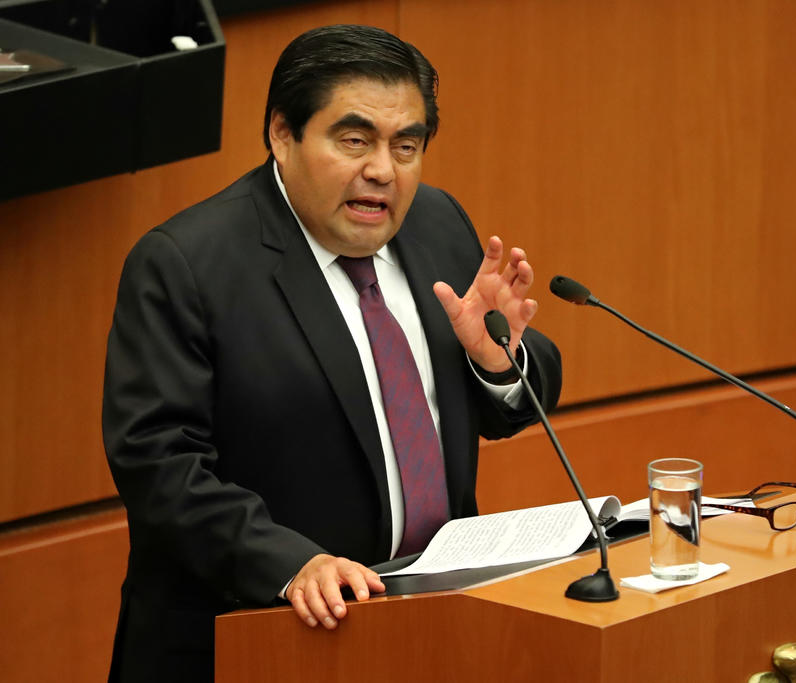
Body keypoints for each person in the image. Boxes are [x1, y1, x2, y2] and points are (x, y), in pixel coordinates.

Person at [102, 24, 561, 683]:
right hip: (257, 636)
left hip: (430, 628)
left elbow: (516, 401)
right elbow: (159, 466)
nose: (383, 170)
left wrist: (496, 362)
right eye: (354, 141)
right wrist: (290, 563)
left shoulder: (435, 223)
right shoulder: (186, 265)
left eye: (406, 145)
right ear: (282, 134)